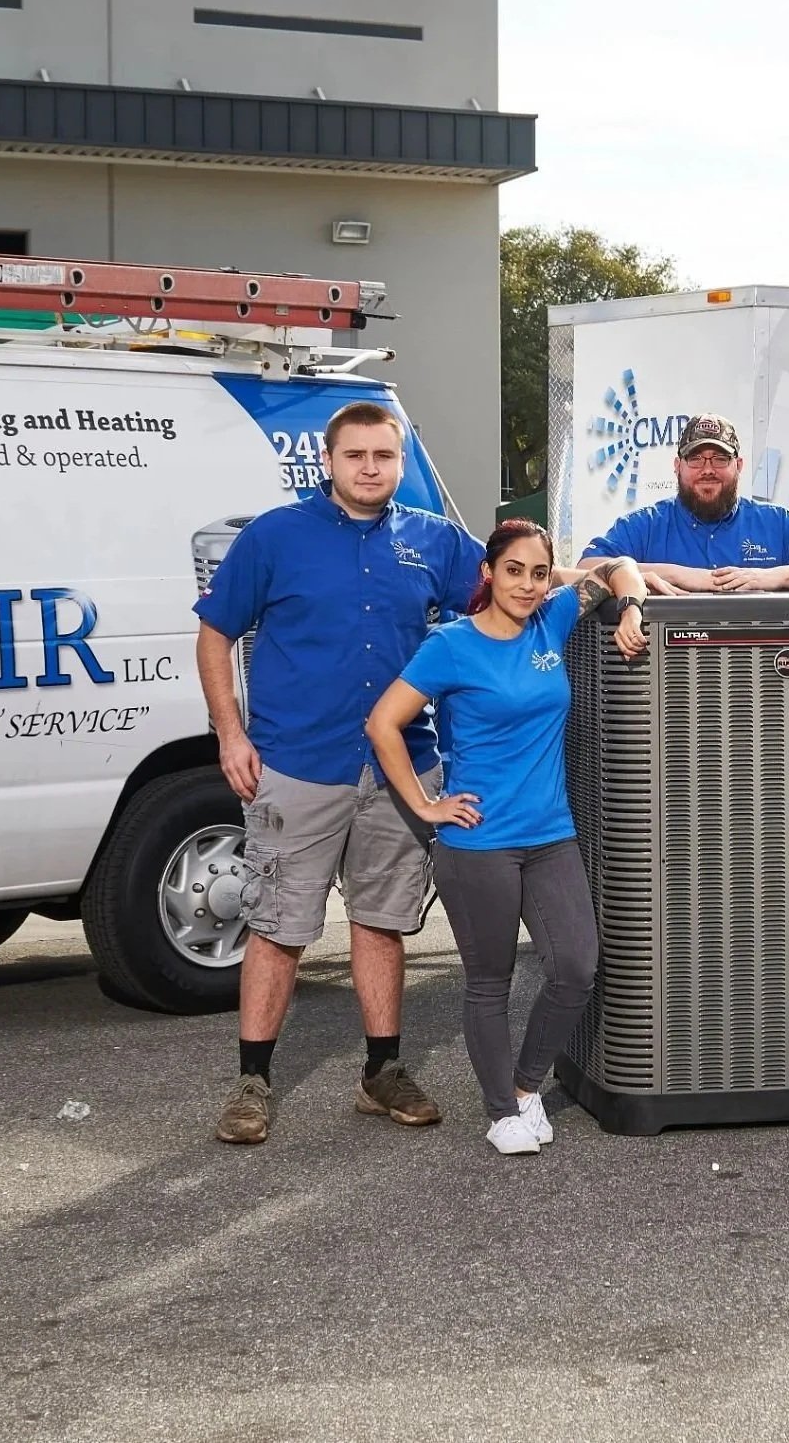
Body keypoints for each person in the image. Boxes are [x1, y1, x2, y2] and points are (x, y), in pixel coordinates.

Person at [196, 400, 484, 1145]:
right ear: (327, 461)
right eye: (354, 455)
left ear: (400, 463)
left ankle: (381, 1072)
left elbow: (516, 587)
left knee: (381, 922)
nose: (369, 468)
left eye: (383, 456)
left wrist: (622, 579)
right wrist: (230, 733)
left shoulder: (435, 541)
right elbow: (215, 631)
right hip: (297, 764)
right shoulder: (275, 536)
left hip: (399, 769)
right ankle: (252, 1082)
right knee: (278, 927)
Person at [366, 519, 649, 1156]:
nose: (527, 585)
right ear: (488, 573)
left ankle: (524, 1089)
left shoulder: (553, 621)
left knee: (576, 968)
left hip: (551, 835)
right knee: (489, 983)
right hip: (479, 844)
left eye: (539, 573)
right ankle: (500, 1112)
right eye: (514, 571)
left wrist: (631, 606)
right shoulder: (451, 644)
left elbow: (616, 567)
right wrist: (426, 805)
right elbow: (383, 723)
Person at [576, 413, 789, 592]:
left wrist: (771, 578)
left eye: (720, 459)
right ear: (677, 466)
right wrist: (676, 574)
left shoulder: (777, 525)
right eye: (695, 458)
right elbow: (584, 569)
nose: (707, 469)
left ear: (739, 465)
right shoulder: (645, 526)